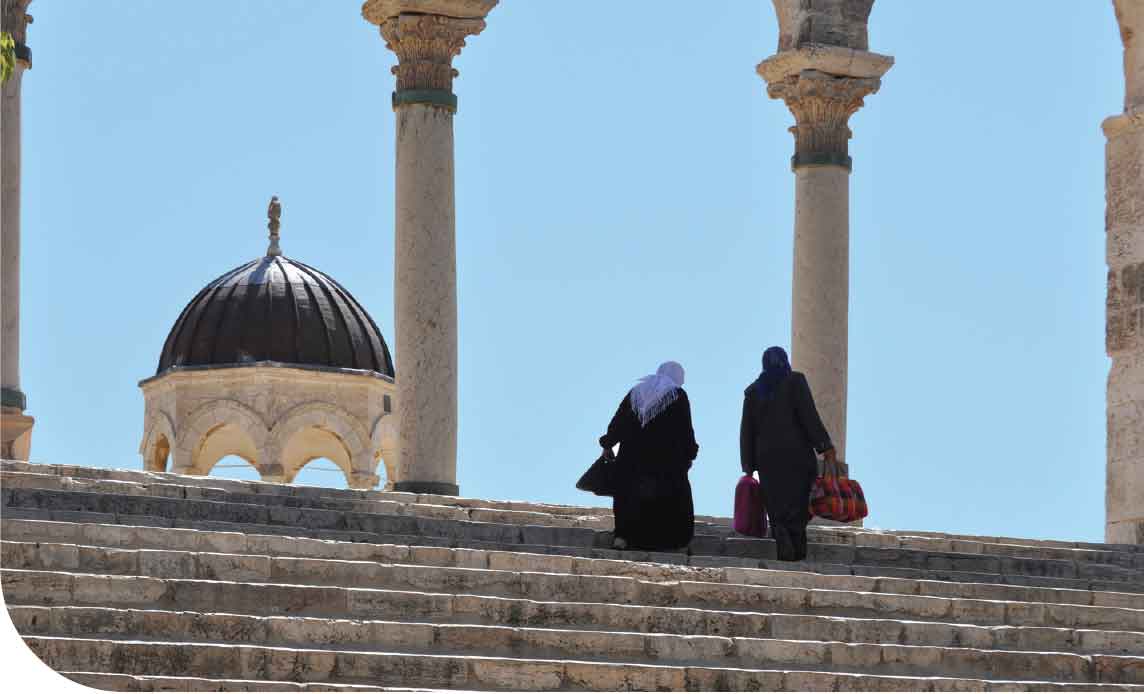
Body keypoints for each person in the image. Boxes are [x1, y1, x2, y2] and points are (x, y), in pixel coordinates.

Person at [739, 346, 838, 562]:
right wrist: (825, 446)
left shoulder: (753, 391)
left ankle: (781, 537)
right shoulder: (795, 381)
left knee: (776, 504)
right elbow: (808, 415)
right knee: (799, 504)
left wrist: (748, 464)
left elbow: (747, 430)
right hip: (797, 456)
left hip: (767, 460)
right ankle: (796, 547)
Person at [599, 361, 699, 551]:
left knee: (630, 496)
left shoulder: (637, 392)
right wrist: (690, 453)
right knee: (667, 498)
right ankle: (665, 541)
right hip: (666, 461)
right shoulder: (677, 395)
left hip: (632, 457)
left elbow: (619, 420)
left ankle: (623, 538)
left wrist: (608, 443)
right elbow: (685, 429)